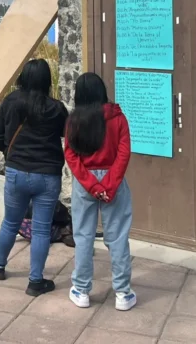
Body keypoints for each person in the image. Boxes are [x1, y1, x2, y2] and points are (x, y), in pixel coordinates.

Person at [0, 58, 68, 297]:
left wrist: (10, 153)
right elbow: (65, 135)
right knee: (42, 229)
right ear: (47, 80)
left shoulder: (11, 102)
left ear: (23, 77)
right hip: (47, 175)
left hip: (16, 172)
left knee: (10, 223)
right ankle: (35, 281)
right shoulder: (57, 109)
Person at [64, 72, 136, 312]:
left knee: (83, 236)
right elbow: (124, 153)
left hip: (84, 183)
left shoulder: (74, 121)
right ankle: (123, 293)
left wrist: (92, 185)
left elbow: (71, 155)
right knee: (117, 238)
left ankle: (82, 290)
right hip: (112, 181)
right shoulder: (118, 118)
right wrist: (110, 185)